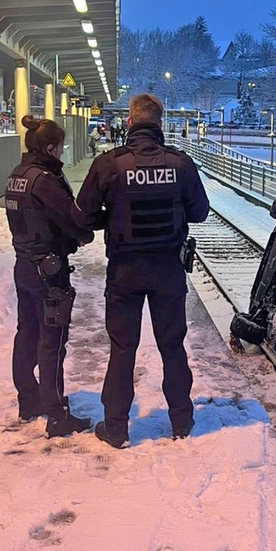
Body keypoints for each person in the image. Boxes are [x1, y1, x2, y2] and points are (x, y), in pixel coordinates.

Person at [72, 93, 210, 449]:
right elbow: (199, 213)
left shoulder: (109, 164)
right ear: (160, 124)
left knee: (123, 349)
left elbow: (83, 216)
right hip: (168, 270)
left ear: (130, 122)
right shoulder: (180, 164)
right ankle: (181, 420)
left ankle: (116, 428)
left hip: (125, 272)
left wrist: (113, 218)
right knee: (172, 346)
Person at [5, 115, 94, 438]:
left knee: (26, 333)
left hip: (24, 265)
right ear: (49, 147)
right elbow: (73, 220)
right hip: (48, 270)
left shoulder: (19, 175)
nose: (61, 153)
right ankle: (57, 415)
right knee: (52, 342)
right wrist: (84, 234)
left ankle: (29, 401)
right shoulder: (44, 180)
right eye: (59, 147)